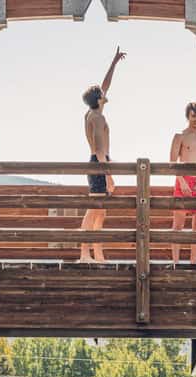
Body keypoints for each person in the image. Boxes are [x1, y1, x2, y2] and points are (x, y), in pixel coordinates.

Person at [79, 47, 127, 264]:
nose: (106, 95)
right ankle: (84, 254)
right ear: (99, 99)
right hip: (99, 164)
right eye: (103, 95)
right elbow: (99, 150)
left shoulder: (93, 112)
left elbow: (104, 85)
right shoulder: (97, 118)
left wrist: (114, 63)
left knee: (100, 213)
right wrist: (108, 175)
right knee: (93, 211)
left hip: (98, 164)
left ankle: (98, 254)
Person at [169, 102, 196, 264]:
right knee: (178, 225)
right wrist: (181, 181)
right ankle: (175, 263)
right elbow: (172, 162)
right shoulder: (179, 136)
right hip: (183, 181)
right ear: (188, 116)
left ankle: (193, 263)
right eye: (193, 115)